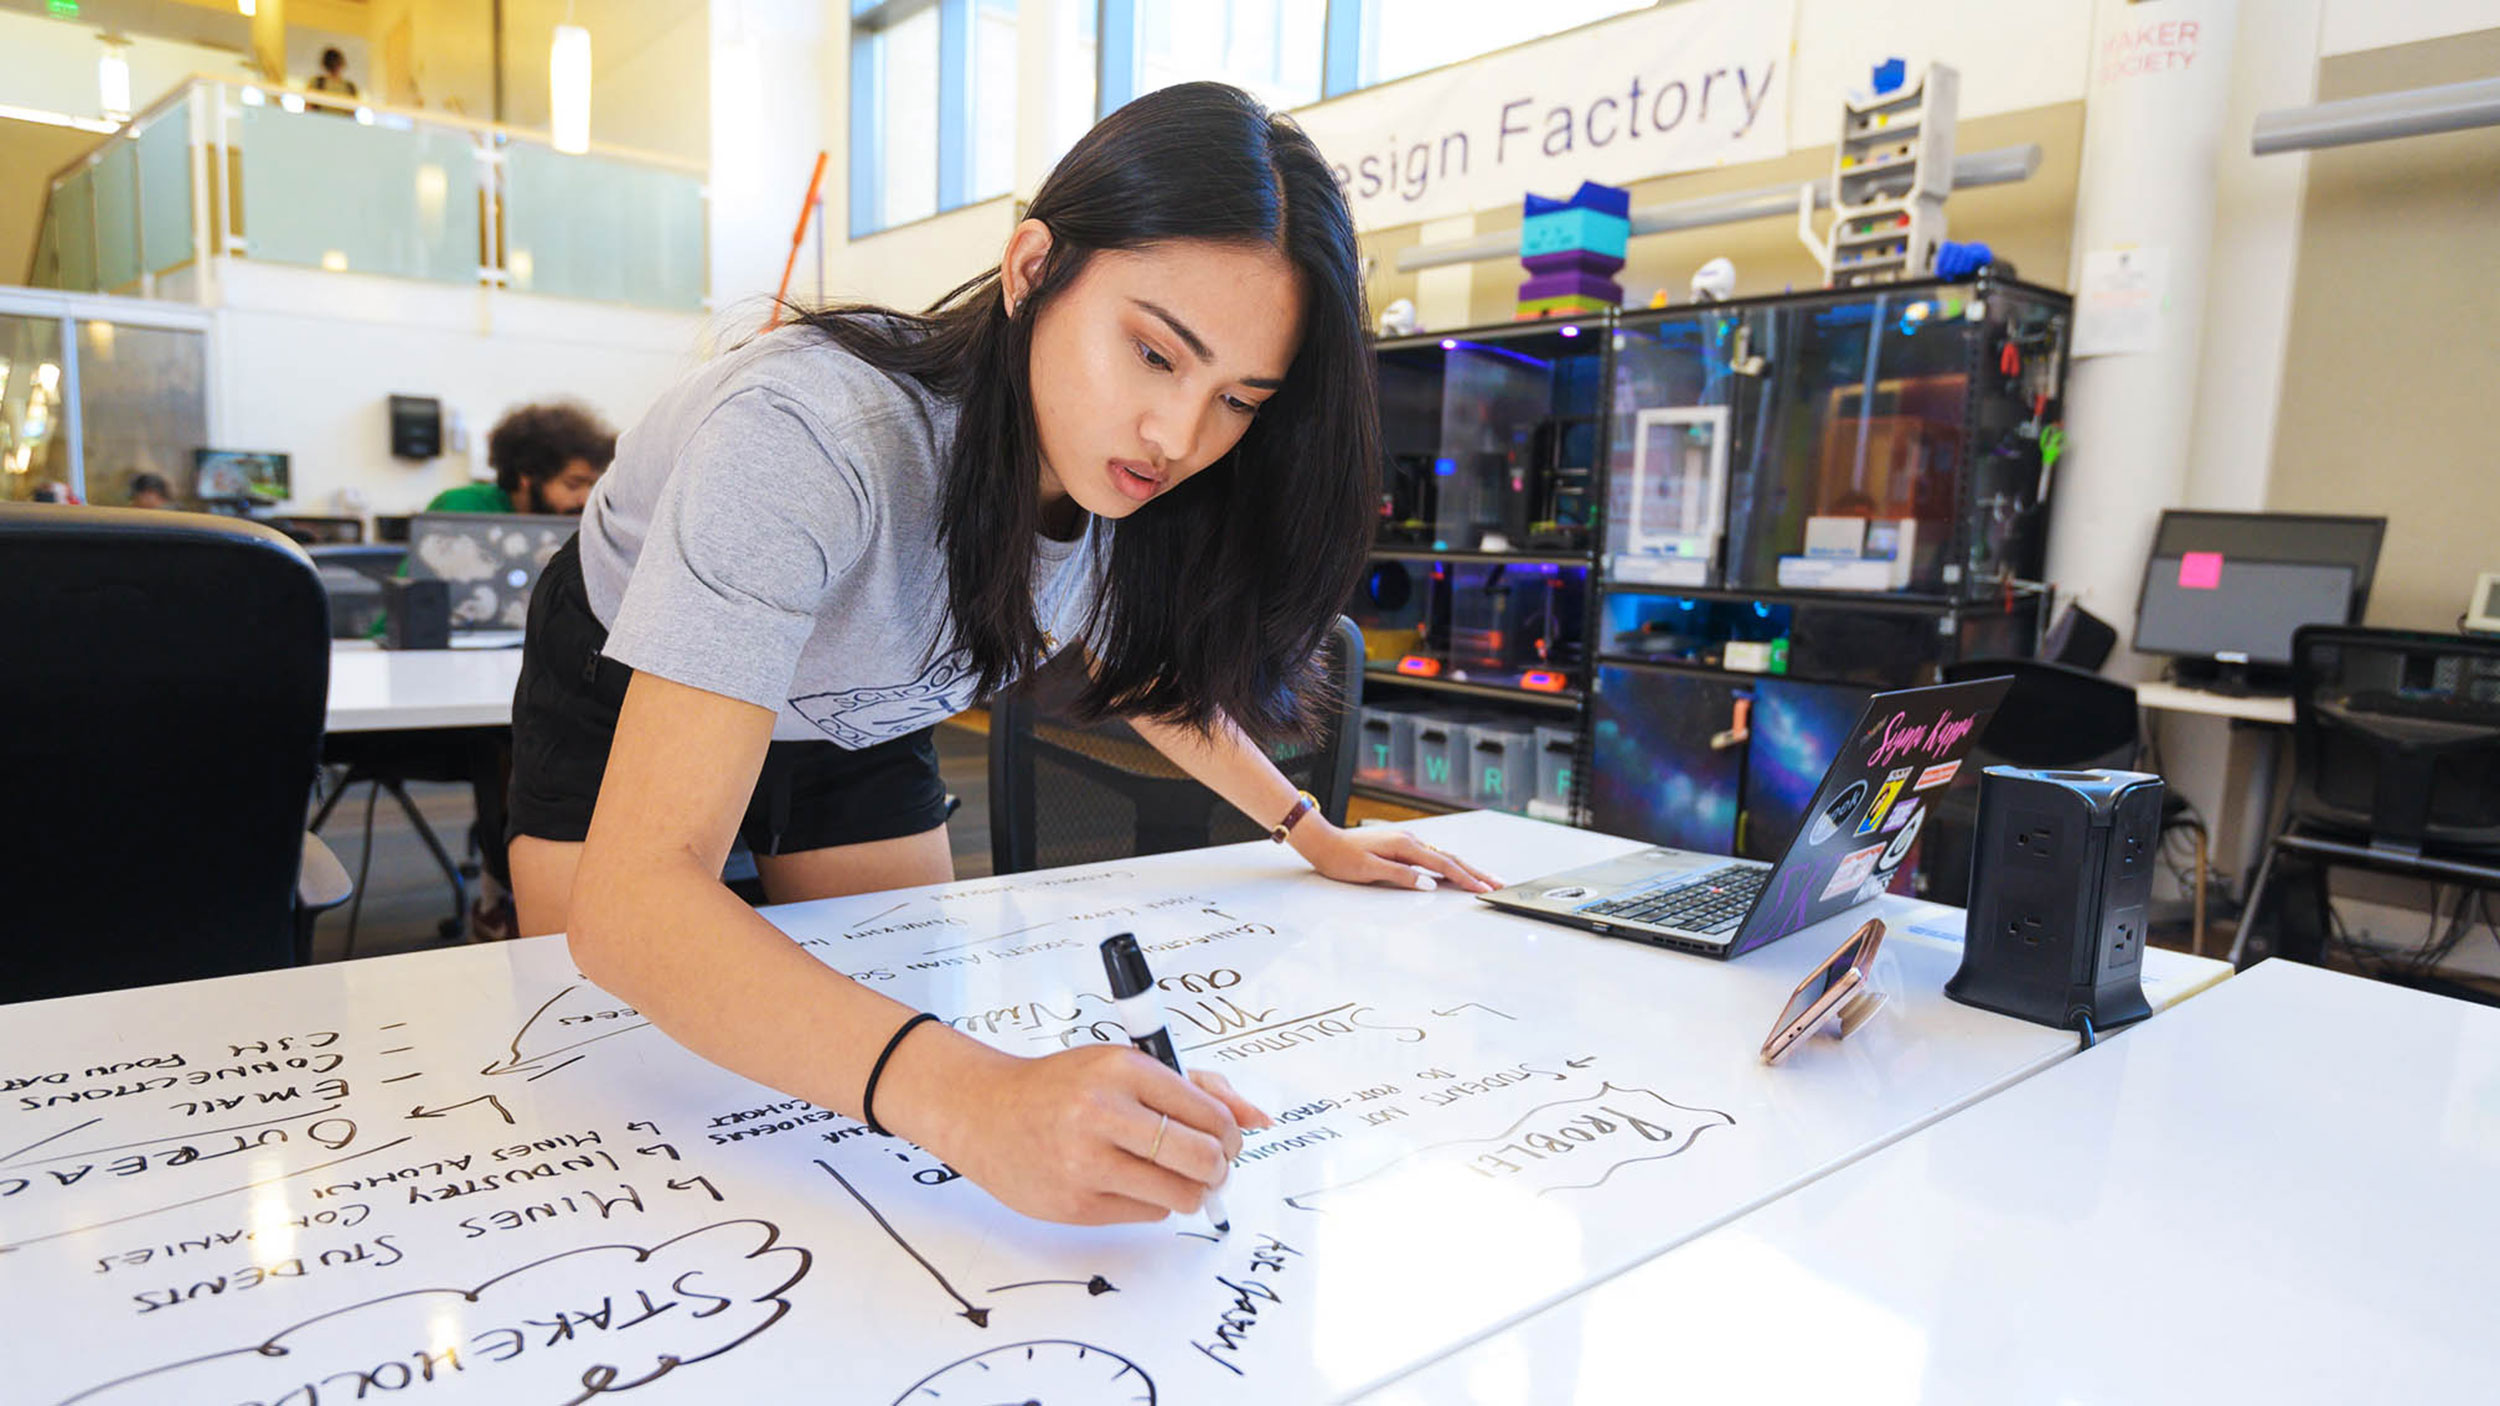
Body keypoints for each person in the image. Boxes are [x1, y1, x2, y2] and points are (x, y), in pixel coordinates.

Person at [505, 82, 1498, 1228]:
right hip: (634, 669)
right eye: (1152, 352)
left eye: (1237, 398)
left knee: (865, 1050)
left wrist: (1309, 828)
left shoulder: (1120, 476)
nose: (1179, 438)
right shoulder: (807, 437)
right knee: (613, 1071)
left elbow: (1156, 684)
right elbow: (632, 911)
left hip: (862, 706)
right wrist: (979, 1100)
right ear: (1033, 268)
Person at [426, 402, 614, 516]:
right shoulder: (463, 507)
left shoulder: (582, 525)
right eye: (572, 485)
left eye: (592, 486)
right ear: (527, 477)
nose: (586, 500)